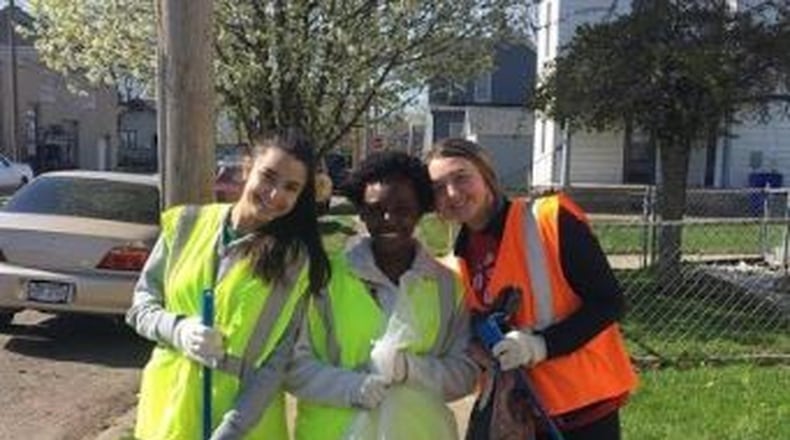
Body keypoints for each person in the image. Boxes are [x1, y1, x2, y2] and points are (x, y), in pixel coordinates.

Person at [424, 138, 638, 440]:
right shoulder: (458, 260)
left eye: (461, 177)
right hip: (514, 413)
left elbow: (608, 303)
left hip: (582, 410)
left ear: (486, 175)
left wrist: (539, 345)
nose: (452, 193)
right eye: (438, 188)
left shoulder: (549, 221)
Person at [126, 128, 330, 440]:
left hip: (244, 424)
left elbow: (276, 362)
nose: (275, 194)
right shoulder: (185, 225)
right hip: (166, 415)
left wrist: (230, 432)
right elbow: (141, 307)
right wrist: (178, 330)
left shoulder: (295, 261)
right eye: (268, 176)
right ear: (247, 168)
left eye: (291, 188)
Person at [288, 150, 477, 439]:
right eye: (376, 209)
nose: (388, 219)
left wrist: (408, 369)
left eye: (403, 209)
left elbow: (465, 373)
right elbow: (293, 366)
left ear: (420, 212)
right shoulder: (324, 279)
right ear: (361, 212)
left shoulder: (448, 287)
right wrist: (352, 387)